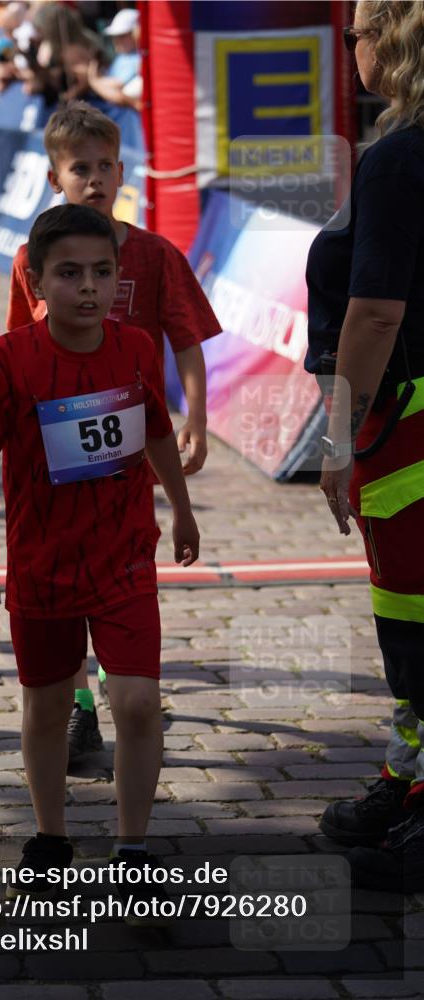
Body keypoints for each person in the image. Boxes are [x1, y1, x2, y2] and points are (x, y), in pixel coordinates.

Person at [0, 204, 199, 911]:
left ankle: (132, 847)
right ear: (34, 280)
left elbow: (154, 431)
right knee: (48, 707)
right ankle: (50, 835)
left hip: (124, 558)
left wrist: (179, 507)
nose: (86, 287)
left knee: (138, 702)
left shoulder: (131, 348)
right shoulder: (8, 359)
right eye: (67, 274)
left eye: (100, 272)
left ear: (118, 279)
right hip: (41, 564)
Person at [6, 101, 221, 762]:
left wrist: (196, 421)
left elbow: (186, 343)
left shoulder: (154, 256)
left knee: (118, 574)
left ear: (123, 170)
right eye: (80, 168)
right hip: (54, 452)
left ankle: (116, 676)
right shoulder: (30, 259)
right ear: (54, 178)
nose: (95, 179)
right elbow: (17, 351)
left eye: (105, 166)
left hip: (132, 451)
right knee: (58, 578)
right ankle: (77, 705)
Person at [304, 0, 424, 891]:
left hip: (407, 423)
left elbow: (376, 309)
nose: (347, 48)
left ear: (387, 40)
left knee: (414, 621)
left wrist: (338, 437)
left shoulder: (398, 159)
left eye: (352, 33)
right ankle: (410, 778)